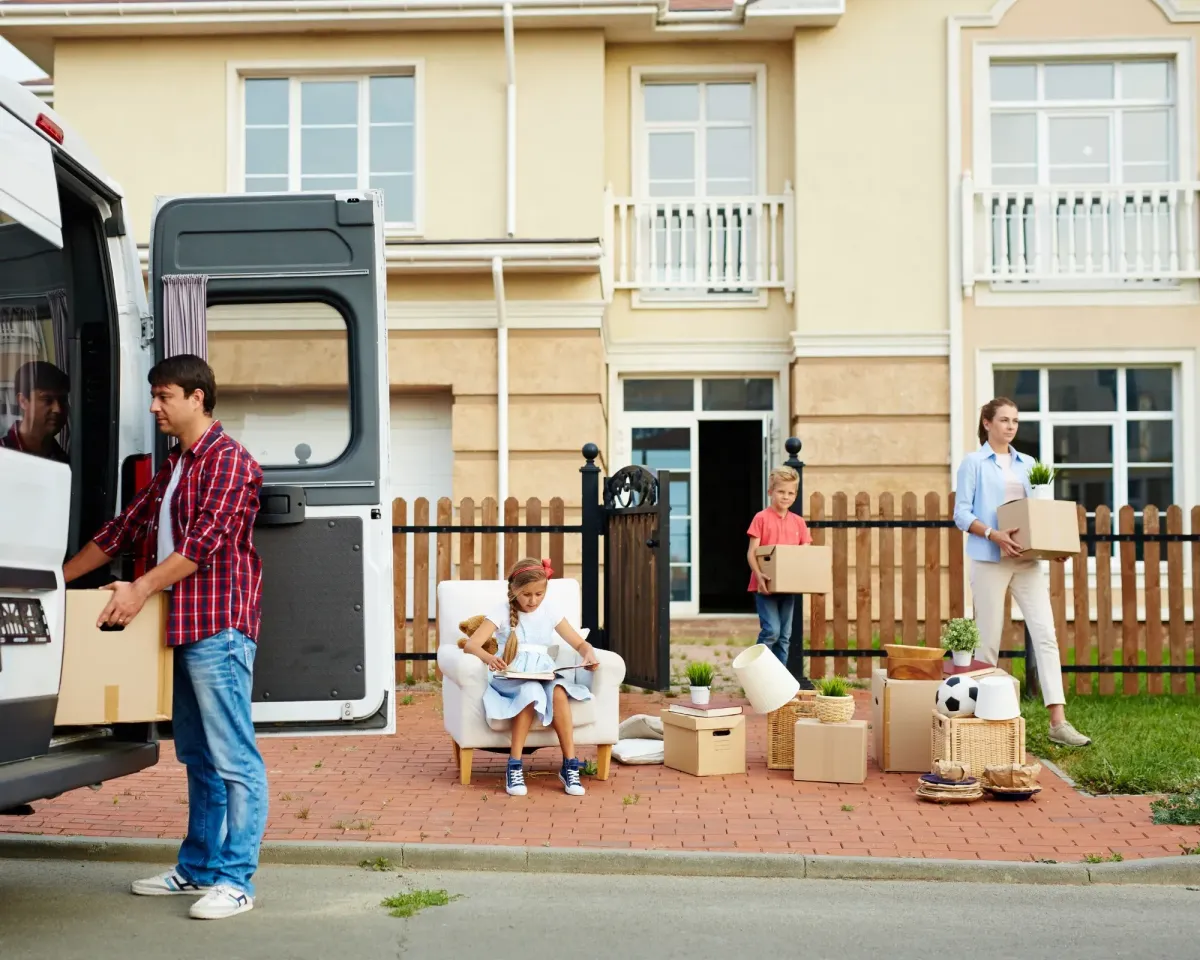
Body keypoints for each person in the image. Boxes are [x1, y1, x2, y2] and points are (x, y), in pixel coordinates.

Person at [62, 353, 269, 920]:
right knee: (199, 757)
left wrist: (139, 589)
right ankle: (198, 870)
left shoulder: (229, 461)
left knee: (234, 758)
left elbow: (203, 545)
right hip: (181, 629)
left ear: (197, 397)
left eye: (164, 396)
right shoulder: (177, 464)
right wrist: (53, 582)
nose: (154, 407)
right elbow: (120, 530)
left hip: (219, 628)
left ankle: (236, 881)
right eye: (154, 396)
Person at [953, 397, 1091, 747]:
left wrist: (1053, 545)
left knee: (1045, 635)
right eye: (1003, 420)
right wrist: (994, 534)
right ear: (987, 423)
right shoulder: (974, 464)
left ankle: (1058, 722)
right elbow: (962, 514)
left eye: (1015, 420)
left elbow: (1038, 513)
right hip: (990, 560)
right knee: (988, 641)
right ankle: (983, 722)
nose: (1011, 426)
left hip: (1027, 562)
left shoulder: (1029, 464)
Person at [462, 558, 599, 797]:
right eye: (526, 595)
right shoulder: (502, 611)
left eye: (539, 594)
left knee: (558, 692)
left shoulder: (550, 610)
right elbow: (471, 645)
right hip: (511, 676)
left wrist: (588, 653)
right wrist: (488, 658)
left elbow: (578, 642)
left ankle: (569, 764)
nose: (533, 601)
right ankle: (514, 765)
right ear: (514, 589)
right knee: (530, 692)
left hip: (543, 674)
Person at [746, 465, 812, 665]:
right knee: (771, 631)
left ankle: (777, 682)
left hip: (788, 587)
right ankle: (756, 672)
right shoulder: (761, 518)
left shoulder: (799, 522)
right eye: (781, 491)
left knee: (784, 637)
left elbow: (805, 552)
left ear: (796, 495)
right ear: (770, 492)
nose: (786, 496)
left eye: (791, 493)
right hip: (764, 585)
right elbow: (752, 552)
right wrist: (758, 575)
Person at [1, 360, 69, 462]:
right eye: (47, 400)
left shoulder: (64, 460)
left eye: (63, 400)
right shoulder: (3, 455)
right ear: (23, 401)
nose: (58, 409)